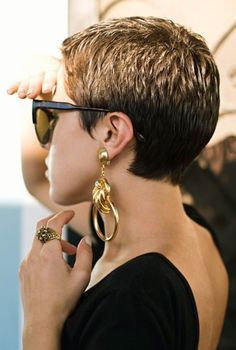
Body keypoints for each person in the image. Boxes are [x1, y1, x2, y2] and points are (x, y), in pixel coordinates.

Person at [8, 17, 228, 350]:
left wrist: (40, 321)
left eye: (53, 113)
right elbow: (37, 178)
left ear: (112, 134)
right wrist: (43, 87)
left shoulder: (132, 303)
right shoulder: (189, 230)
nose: (45, 137)